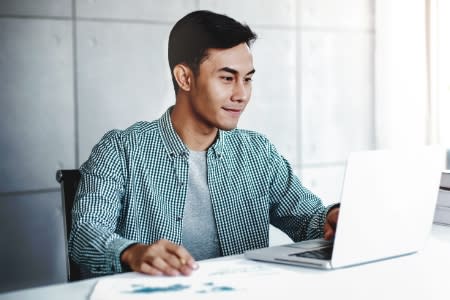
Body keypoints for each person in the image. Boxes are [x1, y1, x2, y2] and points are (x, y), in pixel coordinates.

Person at [69, 10, 340, 278]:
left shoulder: (258, 152)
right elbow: (85, 233)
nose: (242, 94)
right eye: (227, 78)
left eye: (247, 79)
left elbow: (309, 220)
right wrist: (133, 252)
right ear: (185, 77)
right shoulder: (121, 149)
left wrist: (332, 218)